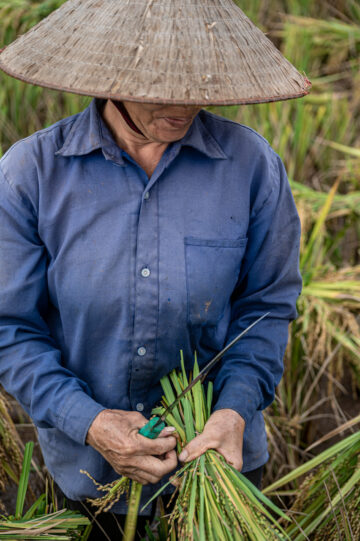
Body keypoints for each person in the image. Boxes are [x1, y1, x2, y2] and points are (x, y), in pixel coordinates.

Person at [0, 0, 310, 538]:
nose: (182, 102)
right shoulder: (32, 175)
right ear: (111, 76)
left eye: (195, 84)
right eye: (161, 85)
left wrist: (233, 411)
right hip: (89, 477)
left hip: (221, 470)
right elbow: (9, 328)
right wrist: (91, 422)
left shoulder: (252, 167)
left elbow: (266, 310)